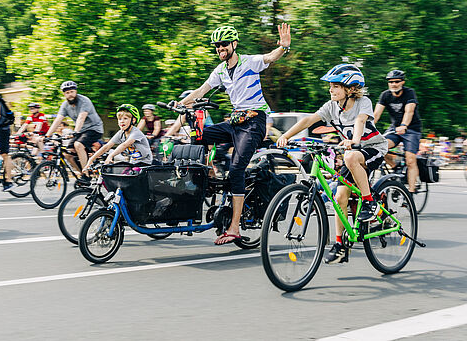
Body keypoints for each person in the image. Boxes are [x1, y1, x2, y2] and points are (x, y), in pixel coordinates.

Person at [177, 24, 291, 245]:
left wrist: (284, 47)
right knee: (200, 136)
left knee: (236, 170)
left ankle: (235, 228)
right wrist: (179, 104)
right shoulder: (220, 70)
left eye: (224, 44)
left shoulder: (249, 62)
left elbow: (270, 57)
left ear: (233, 44)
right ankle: (208, 174)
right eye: (217, 45)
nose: (220, 48)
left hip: (254, 122)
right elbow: (201, 90)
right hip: (235, 121)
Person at [277, 64, 388, 264]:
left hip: (372, 149)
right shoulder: (331, 107)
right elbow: (309, 121)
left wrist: (354, 141)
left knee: (350, 157)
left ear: (351, 89)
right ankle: (340, 246)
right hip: (352, 152)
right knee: (339, 197)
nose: (331, 89)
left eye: (336, 86)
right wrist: (285, 135)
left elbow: (360, 122)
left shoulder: (363, 102)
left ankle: (370, 202)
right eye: (330, 86)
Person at [45, 81, 104, 185]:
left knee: (78, 145)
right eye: (67, 93)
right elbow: (58, 120)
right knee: (67, 153)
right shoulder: (65, 105)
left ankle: (86, 174)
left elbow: (81, 117)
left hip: (94, 129)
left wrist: (76, 132)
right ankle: (83, 174)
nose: (70, 94)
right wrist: (47, 135)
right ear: (64, 94)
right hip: (80, 131)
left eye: (72, 92)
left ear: (76, 91)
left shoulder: (84, 101)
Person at [373, 70, 422, 193]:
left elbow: (409, 111)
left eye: (396, 81)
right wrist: (367, 128)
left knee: (410, 159)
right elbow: (376, 114)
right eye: (391, 82)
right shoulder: (385, 95)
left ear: (402, 82)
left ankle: (410, 191)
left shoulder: (409, 93)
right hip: (394, 128)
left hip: (411, 129)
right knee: (379, 147)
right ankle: (395, 167)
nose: (393, 84)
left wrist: (404, 125)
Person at [84, 104, 152, 168]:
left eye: (125, 118)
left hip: (145, 163)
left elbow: (124, 145)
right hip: (133, 163)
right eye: (120, 119)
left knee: (127, 177)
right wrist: (91, 160)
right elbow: (107, 146)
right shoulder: (121, 133)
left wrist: (111, 155)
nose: (122, 121)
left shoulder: (136, 132)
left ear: (133, 120)